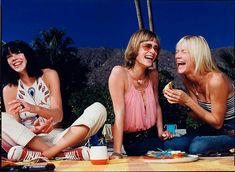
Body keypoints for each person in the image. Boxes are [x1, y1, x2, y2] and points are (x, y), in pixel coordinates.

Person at [1, 40, 107, 162]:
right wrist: (33, 130)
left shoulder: (49, 75)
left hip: (61, 138)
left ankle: (45, 154)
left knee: (99, 108)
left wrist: (34, 108)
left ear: (27, 54)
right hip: (29, 141)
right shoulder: (9, 89)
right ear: (6, 63)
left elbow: (58, 116)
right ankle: (62, 154)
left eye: (18, 53)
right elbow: (15, 127)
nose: (14, 58)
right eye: (9, 56)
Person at [163, 35, 235, 155]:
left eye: (183, 52)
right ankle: (216, 150)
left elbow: (217, 123)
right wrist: (183, 103)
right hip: (212, 129)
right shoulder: (188, 80)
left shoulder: (216, 80)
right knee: (171, 145)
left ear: (198, 55)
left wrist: (187, 101)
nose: (177, 56)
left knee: (197, 146)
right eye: (177, 52)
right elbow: (197, 116)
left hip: (230, 129)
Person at [108, 29, 173, 159]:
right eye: (147, 46)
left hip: (154, 137)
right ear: (135, 48)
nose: (153, 51)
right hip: (134, 143)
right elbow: (119, 113)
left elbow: (156, 105)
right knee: (183, 145)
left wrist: (162, 132)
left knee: (180, 145)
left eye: (156, 48)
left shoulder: (153, 75)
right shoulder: (119, 73)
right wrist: (117, 152)